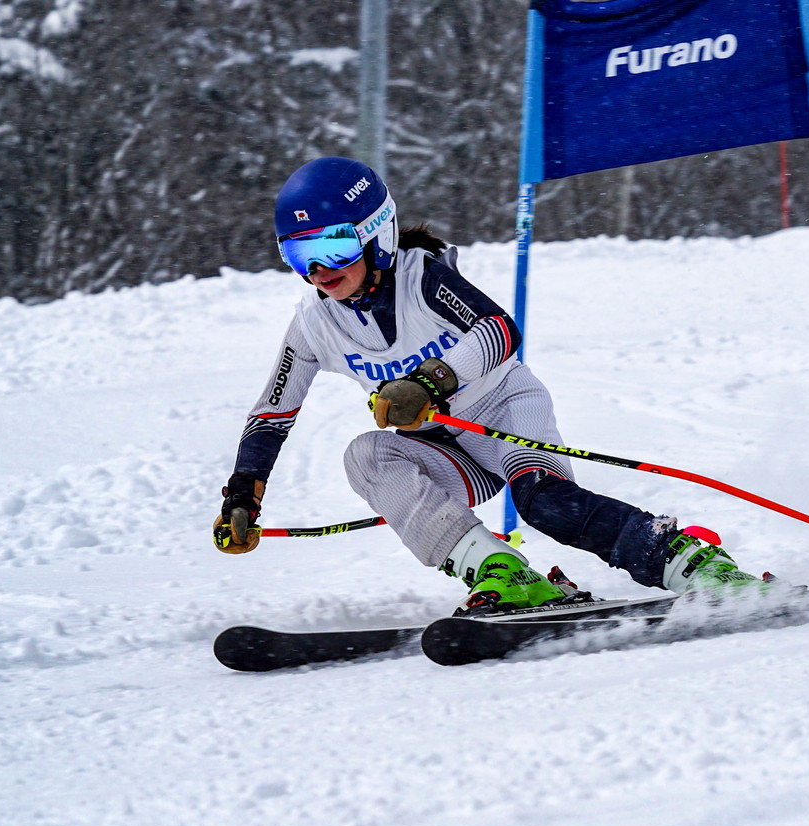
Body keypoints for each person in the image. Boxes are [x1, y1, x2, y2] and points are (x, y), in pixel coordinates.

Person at [214, 156, 764, 612]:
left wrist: (430, 382)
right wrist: (244, 494)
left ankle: (683, 559)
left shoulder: (420, 278)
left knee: (545, 505)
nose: (318, 271)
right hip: (442, 446)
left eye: (330, 249)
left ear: (373, 234)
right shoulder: (314, 323)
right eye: (299, 255)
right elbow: (272, 413)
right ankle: (504, 572)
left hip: (503, 409)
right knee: (366, 456)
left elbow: (500, 329)